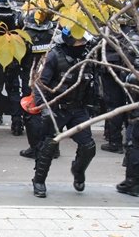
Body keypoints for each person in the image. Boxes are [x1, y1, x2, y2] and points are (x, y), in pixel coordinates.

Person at [29, 26, 98, 198]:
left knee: (89, 146)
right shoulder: (53, 56)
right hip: (57, 107)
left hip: (78, 108)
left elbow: (93, 81)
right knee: (48, 146)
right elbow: (40, 85)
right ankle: (39, 180)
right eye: (77, 42)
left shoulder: (86, 56)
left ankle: (79, 170)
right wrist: (43, 108)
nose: (81, 45)